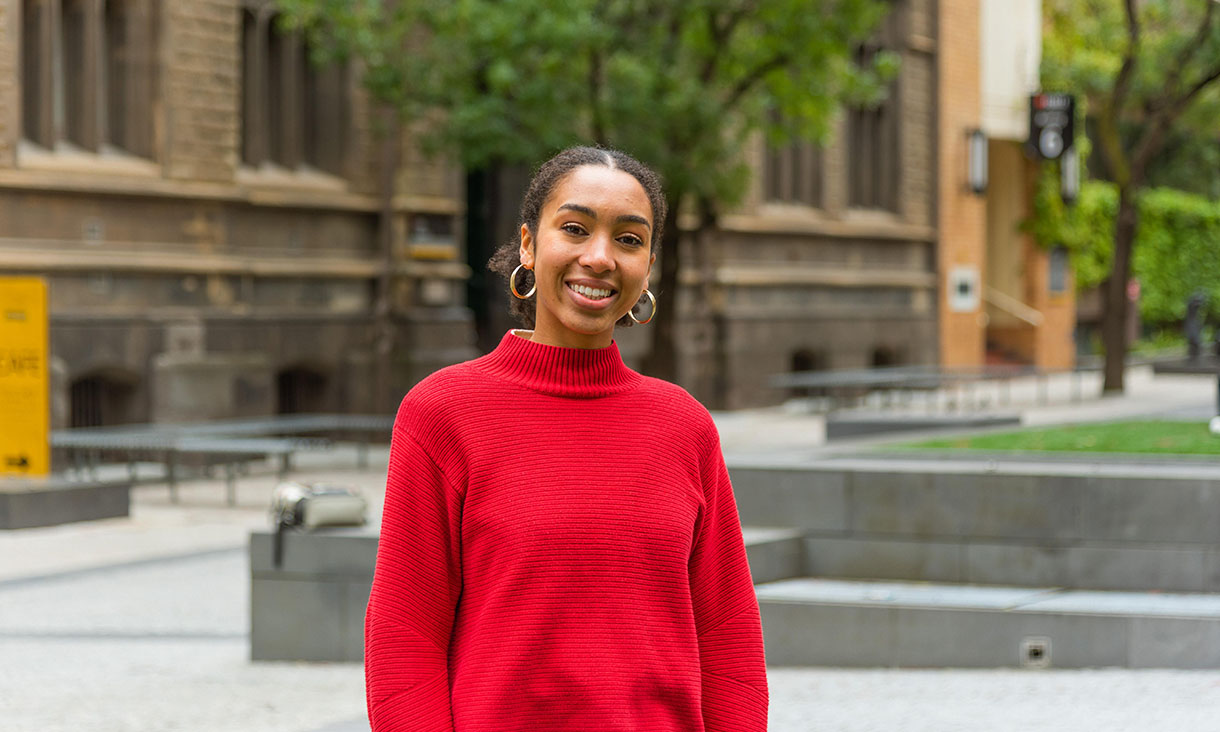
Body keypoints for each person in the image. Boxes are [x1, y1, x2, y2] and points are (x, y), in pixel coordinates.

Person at [364, 146, 768, 731]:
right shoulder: (442, 413)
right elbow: (404, 635)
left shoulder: (684, 426)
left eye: (629, 240)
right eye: (575, 229)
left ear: (648, 264)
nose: (599, 257)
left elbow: (728, 634)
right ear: (529, 244)